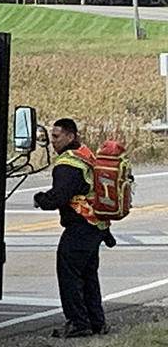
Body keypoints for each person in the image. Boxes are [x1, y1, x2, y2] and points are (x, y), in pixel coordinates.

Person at [34, 118, 114, 339]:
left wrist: (40, 199)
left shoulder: (68, 164)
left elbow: (59, 196)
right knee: (88, 275)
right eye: (51, 136)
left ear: (70, 136)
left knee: (69, 274)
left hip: (81, 226)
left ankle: (78, 323)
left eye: (56, 136)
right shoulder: (85, 154)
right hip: (96, 225)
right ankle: (96, 322)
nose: (53, 141)